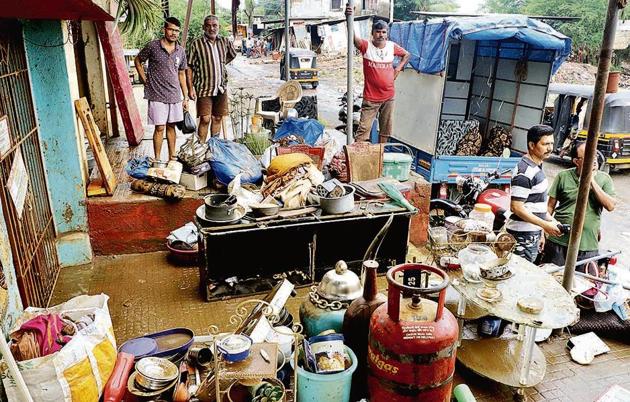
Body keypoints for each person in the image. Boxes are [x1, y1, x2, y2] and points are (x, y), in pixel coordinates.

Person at [541, 142, 616, 266]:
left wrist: (590, 180)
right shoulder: (563, 176)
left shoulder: (604, 179)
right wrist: (542, 232)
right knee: (552, 278)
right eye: (588, 156)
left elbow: (610, 206)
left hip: (587, 245)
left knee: (582, 282)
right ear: (576, 161)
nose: (594, 160)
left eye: (595, 155)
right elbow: (549, 207)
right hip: (558, 241)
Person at [345, 5, 410, 143]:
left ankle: (381, 156)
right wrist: (348, 18)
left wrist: (397, 69)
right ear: (372, 33)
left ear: (387, 34)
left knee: (385, 130)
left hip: (388, 96)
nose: (381, 34)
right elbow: (354, 39)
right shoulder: (366, 46)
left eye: (384, 32)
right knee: (363, 131)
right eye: (378, 31)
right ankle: (358, 158)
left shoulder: (391, 46)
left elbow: (406, 55)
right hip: (371, 98)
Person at [135, 17, 189, 162]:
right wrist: (144, 80)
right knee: (159, 128)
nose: (174, 33)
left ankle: (172, 158)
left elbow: (182, 73)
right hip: (156, 94)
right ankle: (157, 158)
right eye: (171, 29)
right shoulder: (153, 46)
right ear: (164, 30)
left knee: (171, 127)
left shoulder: (181, 51)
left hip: (174, 95)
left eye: (177, 31)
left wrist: (186, 97)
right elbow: (138, 60)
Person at [507, 125, 562, 263]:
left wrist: (550, 222)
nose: (550, 148)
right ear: (532, 145)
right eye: (545, 144)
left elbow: (535, 205)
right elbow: (517, 207)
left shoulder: (536, 167)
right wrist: (544, 225)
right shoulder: (525, 172)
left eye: (551, 144)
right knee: (519, 276)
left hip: (531, 234)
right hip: (522, 236)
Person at [187, 15, 237, 141]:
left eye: (214, 25)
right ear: (203, 27)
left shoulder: (225, 41)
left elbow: (232, 55)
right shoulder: (196, 44)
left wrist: (218, 64)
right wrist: (190, 88)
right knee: (205, 119)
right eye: (208, 25)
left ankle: (214, 148)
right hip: (204, 87)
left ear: (218, 27)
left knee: (218, 118)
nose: (212, 28)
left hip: (221, 87)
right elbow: (189, 67)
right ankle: (201, 148)